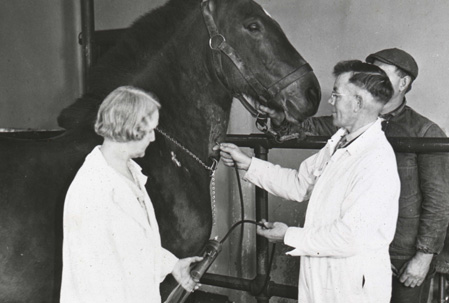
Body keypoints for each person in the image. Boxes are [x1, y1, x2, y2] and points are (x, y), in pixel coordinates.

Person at [260, 48, 449, 303]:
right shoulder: (350, 122)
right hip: (349, 251)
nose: (369, 76)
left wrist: (423, 257)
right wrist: (276, 116)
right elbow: (305, 128)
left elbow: (438, 201)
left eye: (378, 72)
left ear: (403, 83)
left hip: (403, 254)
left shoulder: (426, 132)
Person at [215, 60, 400, 303]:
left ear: (357, 103)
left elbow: (349, 237)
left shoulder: (377, 161)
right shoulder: (340, 141)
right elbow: (299, 184)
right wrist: (248, 163)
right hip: (322, 275)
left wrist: (288, 235)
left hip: (352, 285)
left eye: (336, 95)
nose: (331, 102)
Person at [60, 86, 202, 303]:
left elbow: (135, 247)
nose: (154, 138)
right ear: (130, 127)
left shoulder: (130, 172)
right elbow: (94, 282)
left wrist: (172, 264)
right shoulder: (93, 188)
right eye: (150, 130)